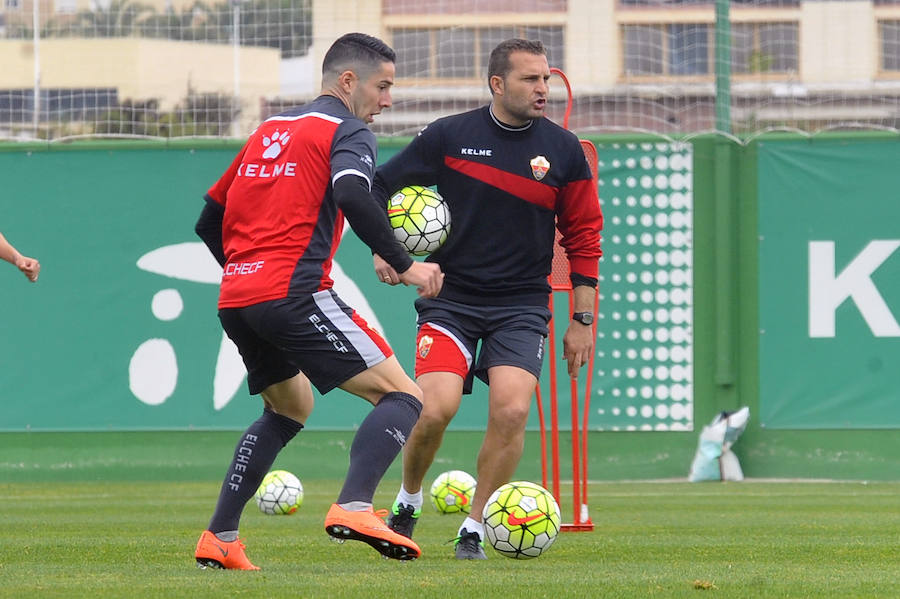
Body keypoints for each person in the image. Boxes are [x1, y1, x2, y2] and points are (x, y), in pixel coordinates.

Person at [192, 32, 444, 570]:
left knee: (289, 408)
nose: (388, 100)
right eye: (383, 86)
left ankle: (221, 536)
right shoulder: (346, 130)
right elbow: (355, 192)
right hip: (292, 290)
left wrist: (245, 272)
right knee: (404, 396)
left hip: (237, 296)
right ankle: (355, 505)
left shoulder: (269, 131)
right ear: (347, 82)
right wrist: (405, 265)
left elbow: (208, 220)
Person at [372, 38, 603, 559]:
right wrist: (387, 251)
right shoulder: (448, 136)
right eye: (529, 79)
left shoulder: (565, 150)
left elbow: (585, 236)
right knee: (434, 411)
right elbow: (379, 186)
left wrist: (581, 319)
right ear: (497, 84)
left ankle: (474, 527)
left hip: (521, 305)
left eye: (545, 78)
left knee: (512, 410)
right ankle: (408, 501)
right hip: (450, 300)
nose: (542, 88)